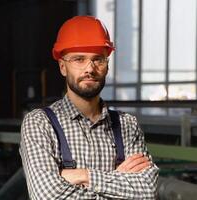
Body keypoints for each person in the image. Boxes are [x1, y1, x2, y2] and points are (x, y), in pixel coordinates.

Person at [20, 15, 158, 199]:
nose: (90, 69)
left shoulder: (127, 124)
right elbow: (46, 195)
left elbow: (147, 192)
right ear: (62, 67)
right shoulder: (39, 123)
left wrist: (83, 175)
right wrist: (118, 180)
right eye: (79, 59)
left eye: (98, 59)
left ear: (107, 66)